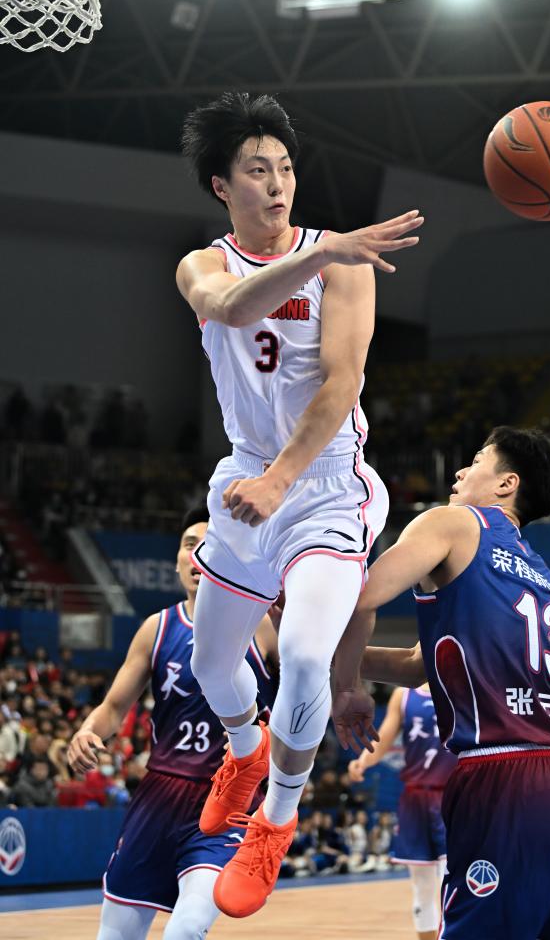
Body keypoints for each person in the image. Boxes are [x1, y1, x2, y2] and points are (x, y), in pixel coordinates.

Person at [176, 90, 422, 917]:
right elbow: (231, 305)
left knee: (307, 657)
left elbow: (342, 382)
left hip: (323, 487)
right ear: (223, 185)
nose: (278, 183)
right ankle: (245, 750)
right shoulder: (202, 264)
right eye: (257, 170)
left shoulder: (344, 262)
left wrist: (283, 478)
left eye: (285, 167)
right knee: (211, 666)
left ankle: (276, 819)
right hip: (247, 478)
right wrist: (318, 255)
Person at [334, 426, 550, 940]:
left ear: (507, 483)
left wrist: (342, 683)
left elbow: (358, 598)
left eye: (477, 459)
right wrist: (325, 658)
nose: (460, 471)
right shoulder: (540, 571)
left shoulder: (453, 522)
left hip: (505, 772)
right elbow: (418, 666)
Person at [67, 506, 279, 940]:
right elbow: (113, 707)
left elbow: (308, 691)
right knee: (115, 935)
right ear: (178, 562)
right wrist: (87, 731)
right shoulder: (157, 627)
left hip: (228, 799)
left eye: (210, 544)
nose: (199, 554)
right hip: (158, 797)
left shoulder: (263, 627)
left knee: (186, 929)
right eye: (189, 544)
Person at [348, 683, 456, 940]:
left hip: (453, 795)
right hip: (416, 798)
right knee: (422, 886)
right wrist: (362, 761)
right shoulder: (403, 695)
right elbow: (383, 738)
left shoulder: (463, 685)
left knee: (453, 883)